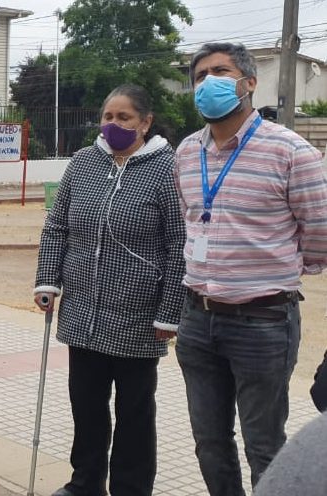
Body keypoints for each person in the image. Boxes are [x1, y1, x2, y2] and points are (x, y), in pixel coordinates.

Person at [174, 42, 327, 495]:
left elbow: (319, 230)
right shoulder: (187, 152)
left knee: (264, 447)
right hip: (198, 318)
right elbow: (189, 221)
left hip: (263, 321)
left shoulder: (291, 151)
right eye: (200, 76)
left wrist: (272, 268)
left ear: (249, 83)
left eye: (220, 72)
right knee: (209, 443)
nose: (208, 82)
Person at [33, 84, 187, 496]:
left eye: (124, 117)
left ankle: (130, 488)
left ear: (145, 122)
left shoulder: (167, 169)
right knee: (86, 406)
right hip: (82, 311)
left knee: (134, 412)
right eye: (107, 116)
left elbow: (179, 243)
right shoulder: (84, 162)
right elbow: (57, 226)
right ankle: (85, 482)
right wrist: (47, 280)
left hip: (138, 314)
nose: (113, 124)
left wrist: (169, 311)